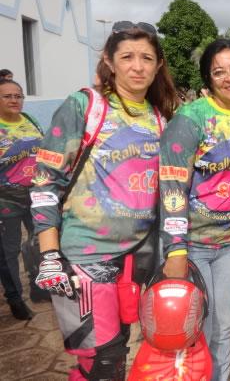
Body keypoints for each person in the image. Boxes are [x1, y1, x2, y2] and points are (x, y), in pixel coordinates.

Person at [31, 21, 178, 380]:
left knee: (118, 349)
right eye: (127, 56)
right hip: (84, 258)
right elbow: (45, 181)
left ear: (158, 65)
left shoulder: (160, 118)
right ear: (109, 61)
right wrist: (49, 257)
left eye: (147, 58)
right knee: (100, 361)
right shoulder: (85, 105)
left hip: (135, 260)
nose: (137, 66)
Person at [159, 38, 230, 381]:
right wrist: (175, 249)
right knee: (196, 328)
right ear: (209, 80)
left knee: (223, 327)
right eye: (219, 72)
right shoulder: (191, 118)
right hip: (191, 245)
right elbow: (172, 186)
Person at [0, 79, 48, 320]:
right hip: (6, 198)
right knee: (9, 251)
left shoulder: (30, 121)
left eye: (18, 96)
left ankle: (39, 287)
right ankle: (15, 298)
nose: (14, 100)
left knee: (40, 242)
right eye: (7, 96)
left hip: (35, 194)